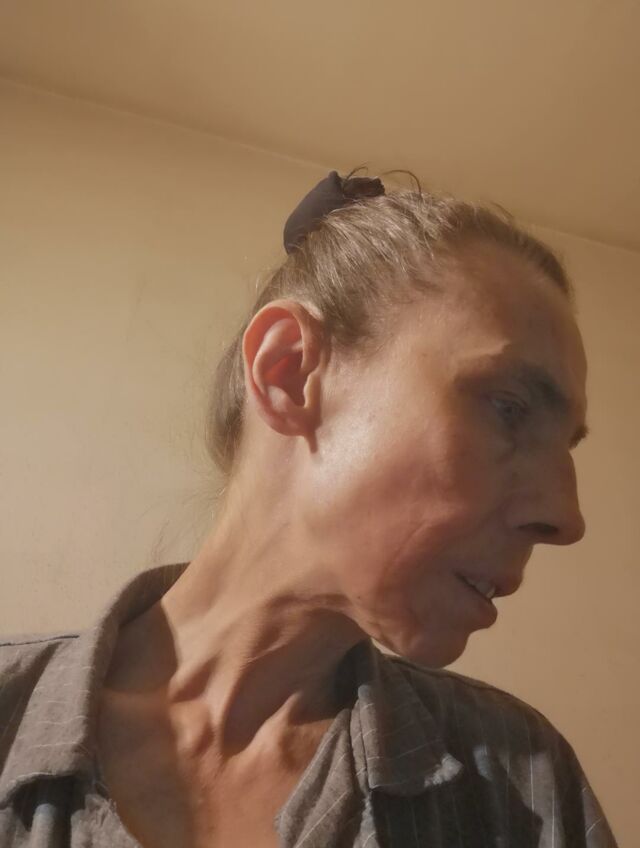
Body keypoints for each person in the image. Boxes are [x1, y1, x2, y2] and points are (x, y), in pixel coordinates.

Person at [0, 169, 619, 848]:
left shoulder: (524, 787)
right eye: (509, 408)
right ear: (289, 370)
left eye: (567, 447)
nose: (566, 518)